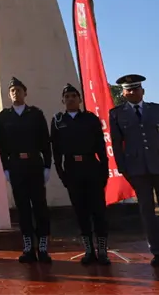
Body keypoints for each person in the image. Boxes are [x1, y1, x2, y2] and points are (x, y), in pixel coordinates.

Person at [109, 74, 159, 268]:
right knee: (147, 212)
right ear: (123, 93)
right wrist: (123, 168)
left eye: (135, 89)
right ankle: (158, 252)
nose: (132, 92)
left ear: (142, 91)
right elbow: (117, 145)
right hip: (137, 169)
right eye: (128, 89)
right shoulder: (117, 114)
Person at [50, 84, 110, 265]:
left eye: (73, 96)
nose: (70, 99)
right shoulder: (57, 120)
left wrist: (104, 172)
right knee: (81, 212)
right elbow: (56, 150)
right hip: (72, 170)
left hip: (91, 167)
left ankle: (102, 250)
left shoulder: (90, 119)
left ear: (80, 99)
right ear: (62, 100)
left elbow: (101, 146)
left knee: (98, 211)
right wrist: (61, 174)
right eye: (67, 96)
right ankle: (89, 249)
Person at [0, 77, 53, 263]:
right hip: (16, 167)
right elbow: (1, 145)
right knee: (23, 208)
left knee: (39, 206)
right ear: (9, 94)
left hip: (34, 165)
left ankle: (43, 246)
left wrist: (47, 166)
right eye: (12, 90)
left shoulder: (35, 114)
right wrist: (6, 168)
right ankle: (28, 246)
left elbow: (45, 142)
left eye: (19, 90)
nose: (15, 93)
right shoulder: (4, 117)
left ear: (25, 93)